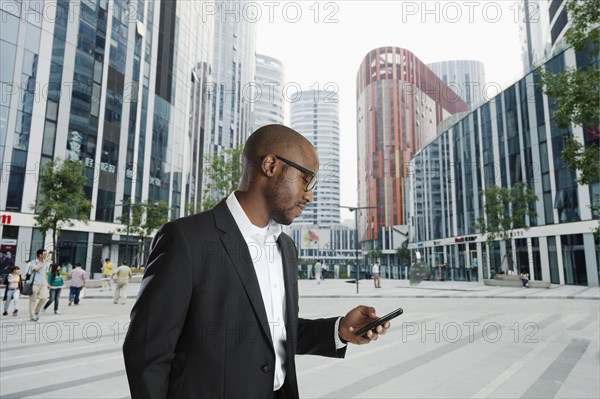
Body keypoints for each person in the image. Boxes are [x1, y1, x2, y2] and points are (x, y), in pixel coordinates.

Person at [123, 125, 390, 398]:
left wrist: (340, 329)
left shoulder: (285, 247)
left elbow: (274, 331)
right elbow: (146, 353)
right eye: (305, 179)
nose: (309, 195)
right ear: (271, 165)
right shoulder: (186, 239)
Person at [27, 249, 50, 322]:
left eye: (46, 254)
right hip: (34, 284)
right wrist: (44, 262)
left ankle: (36, 313)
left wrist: (47, 283)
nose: (45, 256)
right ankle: (32, 316)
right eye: (44, 254)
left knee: (44, 298)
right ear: (40, 255)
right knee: (32, 300)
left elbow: (45, 274)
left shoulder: (45, 263)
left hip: (43, 284)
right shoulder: (33, 262)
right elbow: (36, 269)